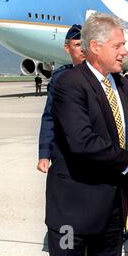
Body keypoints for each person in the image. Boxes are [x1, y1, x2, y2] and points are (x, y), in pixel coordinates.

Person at [45, 12, 128, 256]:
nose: (124, 52)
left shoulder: (126, 87)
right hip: (73, 214)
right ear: (95, 47)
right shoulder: (69, 84)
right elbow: (82, 142)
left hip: (113, 214)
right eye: (118, 45)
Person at [37, 24, 85, 174]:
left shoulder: (102, 75)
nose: (82, 49)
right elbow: (49, 116)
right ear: (67, 48)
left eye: (85, 44)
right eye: (77, 45)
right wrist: (44, 153)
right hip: (67, 153)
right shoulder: (60, 78)